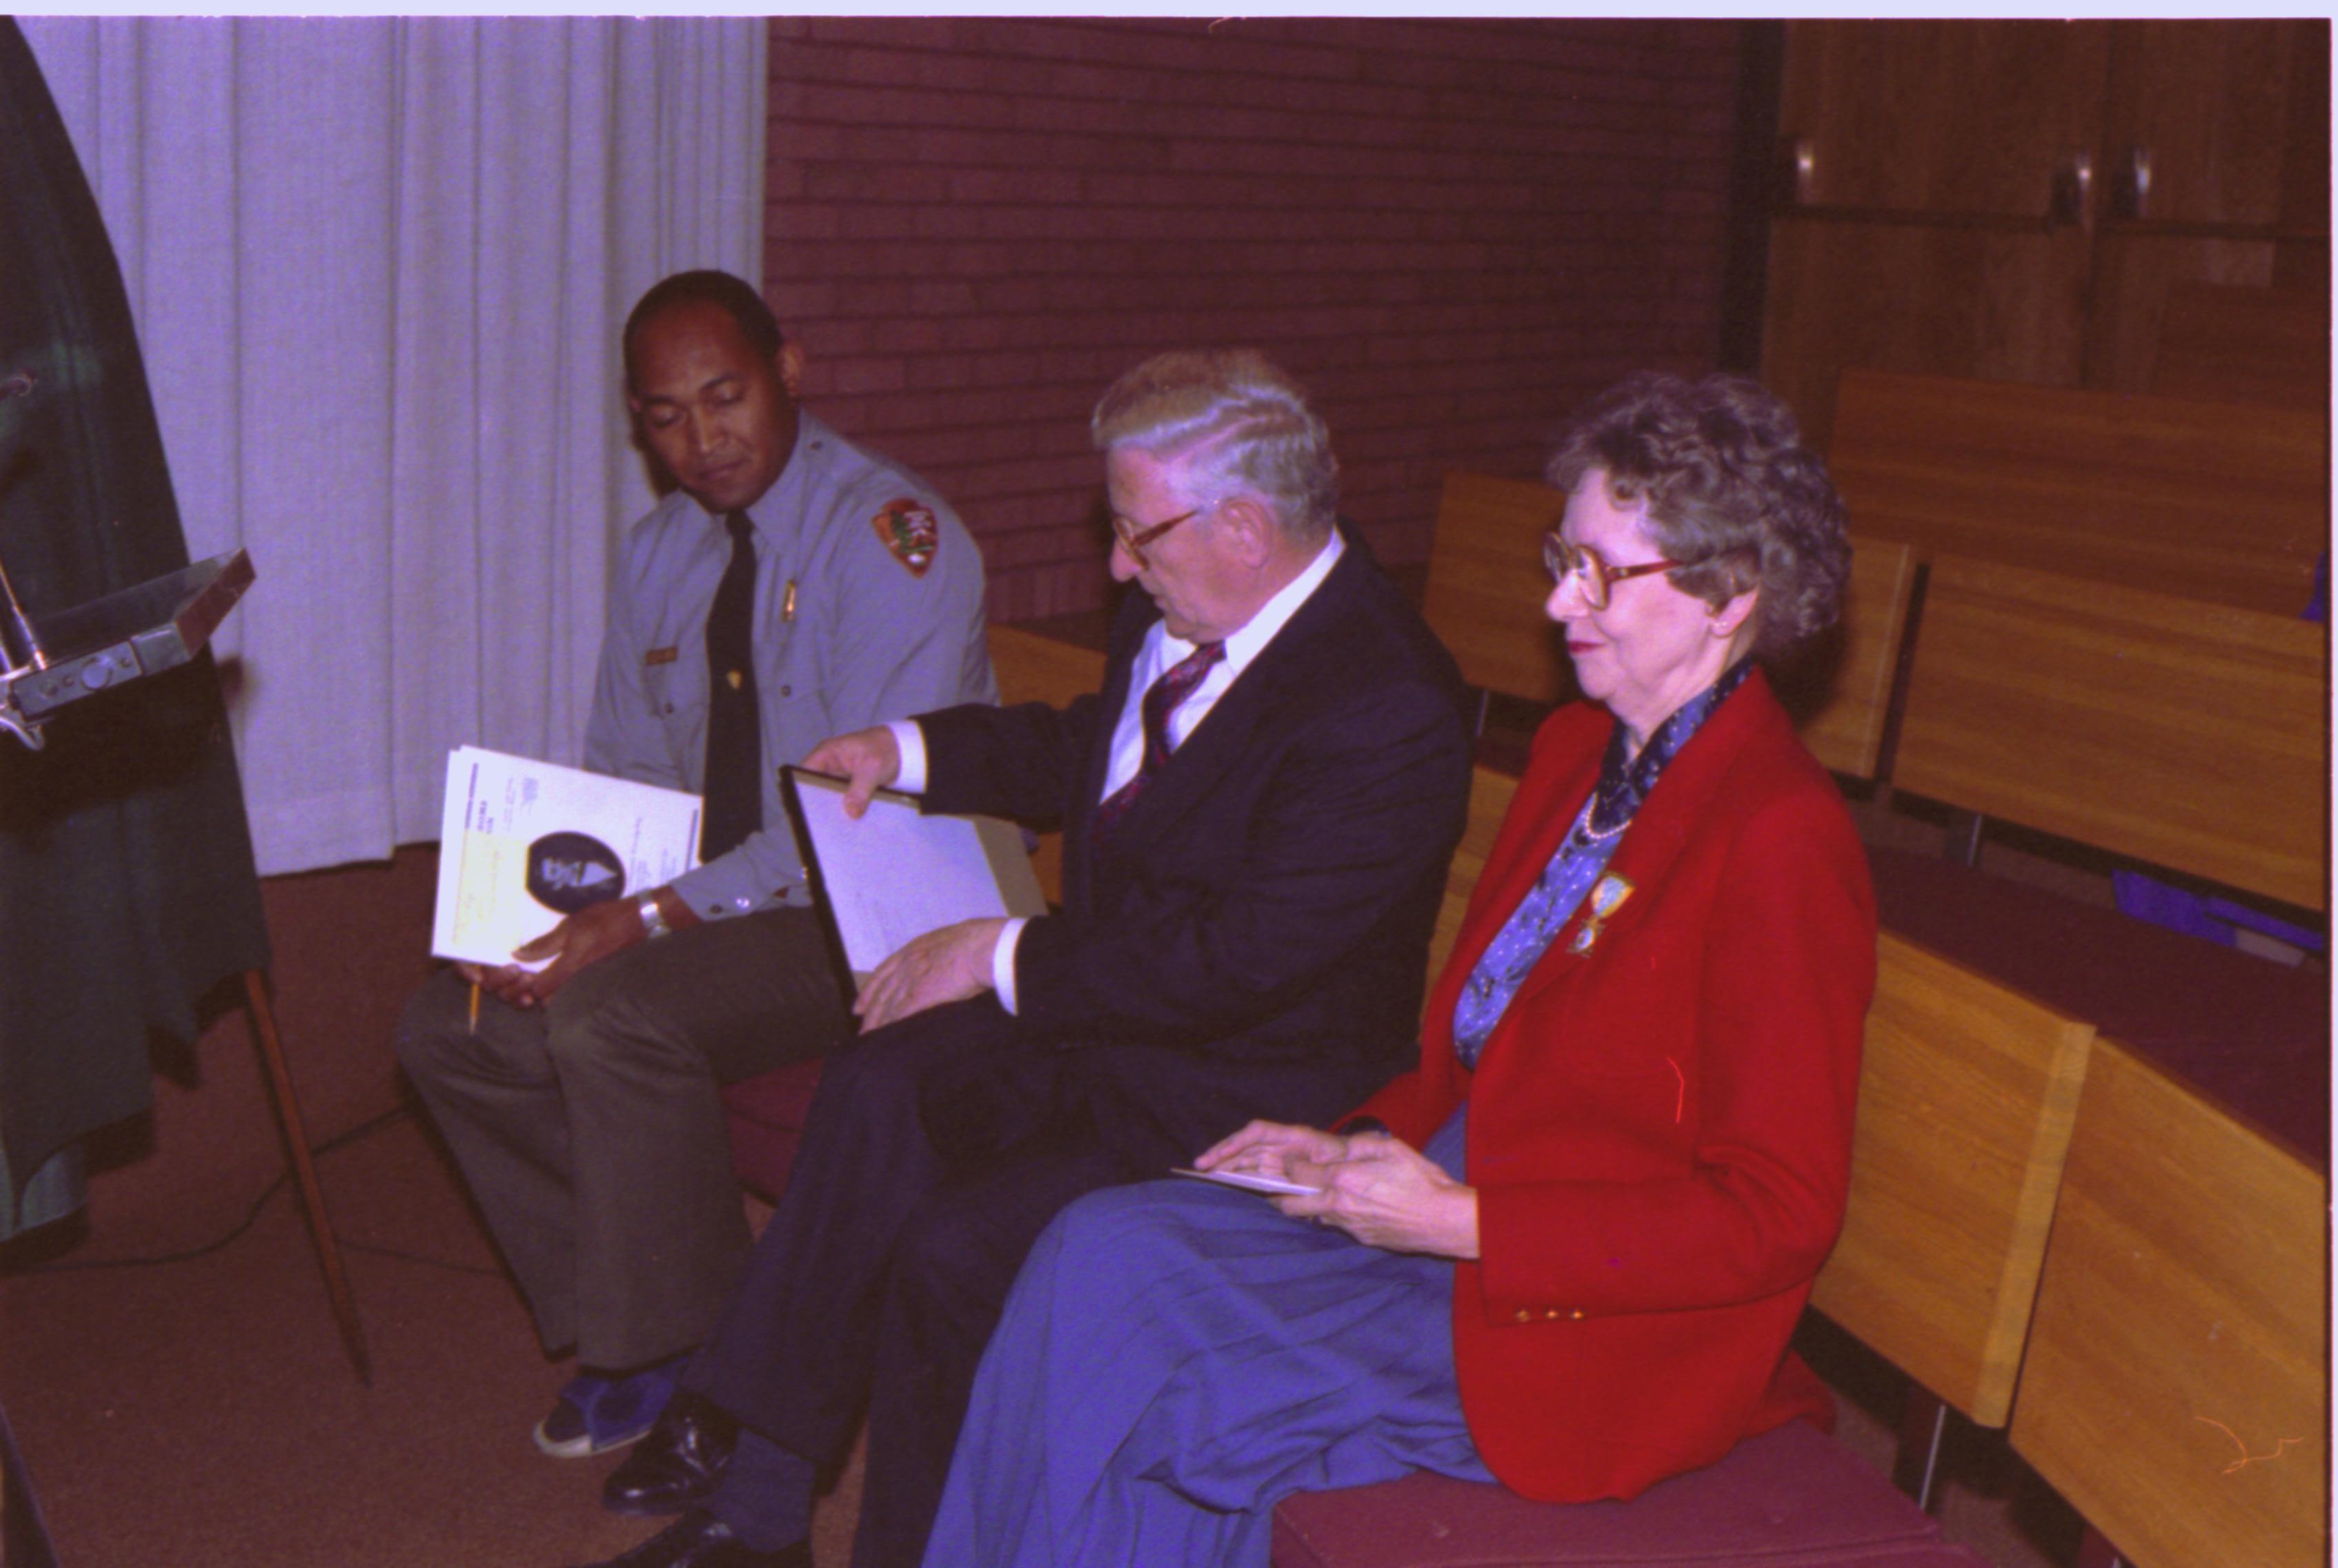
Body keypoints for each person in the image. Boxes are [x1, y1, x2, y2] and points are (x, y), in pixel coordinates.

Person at [922, 370, 1880, 1567]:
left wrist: (1467, 1218)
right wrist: (1353, 1141)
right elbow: (1473, 1044)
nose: (1555, 598)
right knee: (1095, 1244)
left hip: (1578, 1314)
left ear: (1729, 595)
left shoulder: (1778, 837)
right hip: (1458, 1202)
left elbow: (1778, 1214)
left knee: (1179, 1380)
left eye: (1600, 570)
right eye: (1557, 554)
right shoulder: (1581, 748)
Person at [575, 348, 1473, 1568]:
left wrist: (996, 951)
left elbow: (1240, 958)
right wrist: (910, 750)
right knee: (880, 1080)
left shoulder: (1384, 697)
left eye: (1133, 534)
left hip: (1252, 1081)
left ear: (1246, 526)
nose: (1115, 564)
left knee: (960, 1242)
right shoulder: (1189, 602)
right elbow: (1095, 754)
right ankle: (761, 1504)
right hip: (1113, 1017)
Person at [393, 270, 993, 1460]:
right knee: (449, 1024)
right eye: (665, 415)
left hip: (878, 910)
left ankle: (703, 1357)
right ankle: (646, 1309)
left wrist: (657, 916)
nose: (702, 440)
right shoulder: (660, 553)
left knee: (613, 1015)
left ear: (790, 373)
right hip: (720, 905)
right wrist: (540, 906)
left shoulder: (890, 540)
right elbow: (619, 777)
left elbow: (855, 823)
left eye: (726, 397)